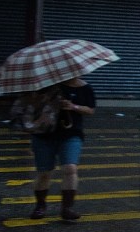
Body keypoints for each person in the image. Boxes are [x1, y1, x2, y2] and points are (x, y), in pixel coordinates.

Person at [13, 78, 96, 220]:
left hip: (71, 135)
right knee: (44, 172)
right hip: (43, 135)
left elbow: (90, 110)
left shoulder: (85, 88)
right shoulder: (47, 85)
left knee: (70, 168)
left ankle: (67, 208)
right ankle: (40, 205)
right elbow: (31, 105)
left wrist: (73, 107)